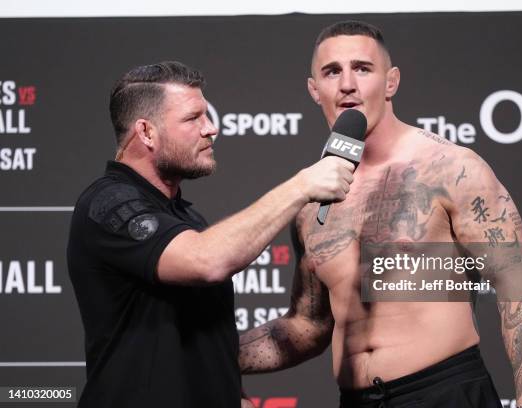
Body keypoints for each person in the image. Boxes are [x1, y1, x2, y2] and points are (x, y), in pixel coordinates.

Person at [238, 21, 522, 408]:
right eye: (332, 71)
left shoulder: (450, 169)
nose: (347, 84)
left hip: (445, 393)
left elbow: (516, 284)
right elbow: (309, 325)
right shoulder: (309, 203)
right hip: (357, 400)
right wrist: (214, 354)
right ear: (314, 89)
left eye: (362, 69)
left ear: (391, 82)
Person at [67, 61, 355, 408]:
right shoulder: (109, 203)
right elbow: (207, 261)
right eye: (193, 118)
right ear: (145, 132)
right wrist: (302, 186)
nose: (211, 128)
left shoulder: (185, 216)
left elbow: (198, 344)